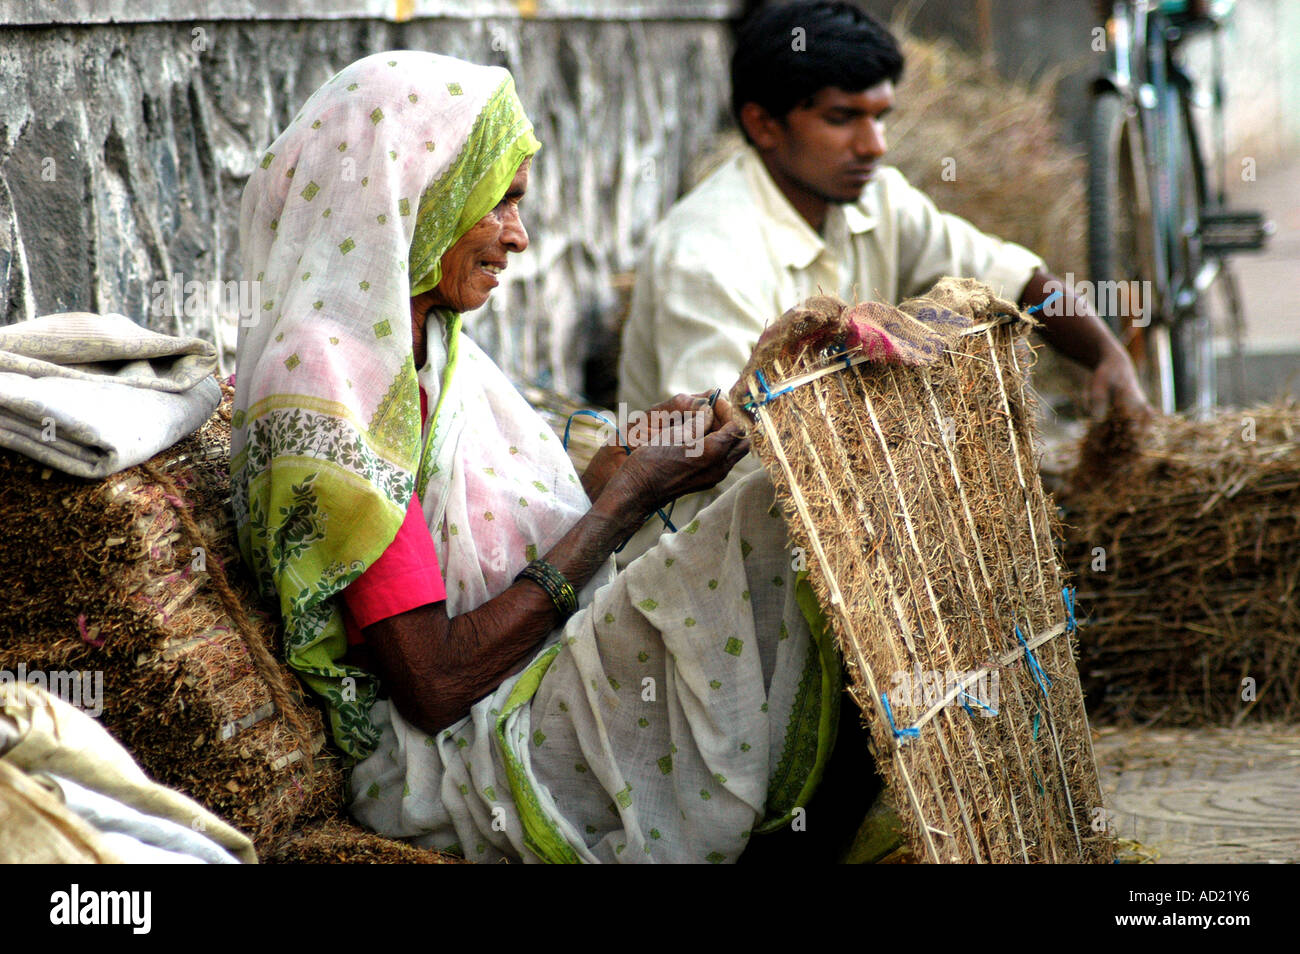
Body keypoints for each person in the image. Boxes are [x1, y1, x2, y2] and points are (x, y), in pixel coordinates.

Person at [231, 51, 843, 863]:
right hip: (465, 749)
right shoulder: (332, 379)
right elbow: (437, 685)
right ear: (417, 191)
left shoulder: (427, 345)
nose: (518, 238)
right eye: (502, 202)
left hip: (522, 675)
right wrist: (622, 504)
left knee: (793, 502)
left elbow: (484, 522)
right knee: (772, 530)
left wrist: (620, 467)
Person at [616, 0, 1151, 565]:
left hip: (843, 535)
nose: (875, 145)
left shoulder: (877, 199)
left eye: (880, 116)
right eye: (843, 118)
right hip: (714, 557)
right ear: (762, 125)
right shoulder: (705, 254)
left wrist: (1106, 354)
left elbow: (1014, 277)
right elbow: (726, 451)